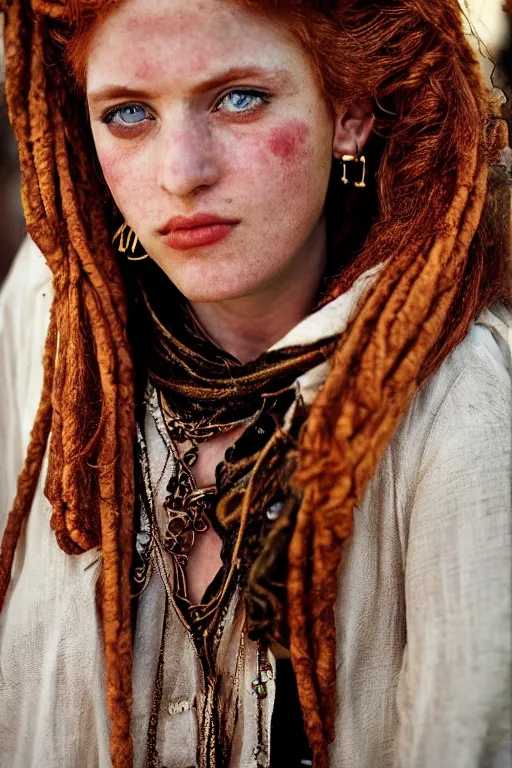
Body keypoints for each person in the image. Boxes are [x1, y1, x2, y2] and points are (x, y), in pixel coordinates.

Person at [0, 0, 511, 767]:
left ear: (348, 113)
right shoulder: (50, 319)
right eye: (129, 112)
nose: (181, 174)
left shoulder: (462, 398)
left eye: (239, 98)